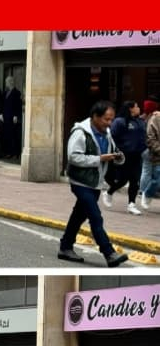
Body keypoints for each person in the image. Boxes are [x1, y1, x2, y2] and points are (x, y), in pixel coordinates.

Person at [58, 100, 129, 268]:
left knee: (78, 216)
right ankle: (109, 253)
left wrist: (118, 157)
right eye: (106, 119)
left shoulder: (107, 133)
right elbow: (74, 157)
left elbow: (113, 152)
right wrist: (100, 159)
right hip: (80, 182)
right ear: (95, 117)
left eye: (111, 119)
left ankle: (65, 247)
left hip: (96, 183)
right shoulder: (80, 133)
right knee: (95, 217)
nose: (109, 123)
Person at [103, 101, 146, 215]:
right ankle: (109, 192)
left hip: (137, 155)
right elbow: (112, 137)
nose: (138, 108)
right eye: (136, 106)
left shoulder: (140, 121)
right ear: (130, 109)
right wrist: (116, 151)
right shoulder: (120, 122)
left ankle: (131, 204)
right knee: (123, 179)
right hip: (124, 155)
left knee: (135, 180)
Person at [140, 99, 160, 210]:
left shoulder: (146, 117)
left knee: (147, 172)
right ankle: (146, 193)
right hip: (153, 152)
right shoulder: (155, 118)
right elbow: (151, 138)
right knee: (155, 177)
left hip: (149, 150)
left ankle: (144, 191)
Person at [0, 75, 22, 159]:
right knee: (7, 135)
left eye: (7, 82)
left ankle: (16, 153)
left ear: (11, 82)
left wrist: (16, 115)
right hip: (5, 117)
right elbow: (3, 104)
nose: (6, 83)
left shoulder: (17, 92)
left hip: (12, 117)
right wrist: (1, 113)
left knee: (14, 135)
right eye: (6, 82)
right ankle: (9, 152)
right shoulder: (5, 93)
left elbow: (18, 105)